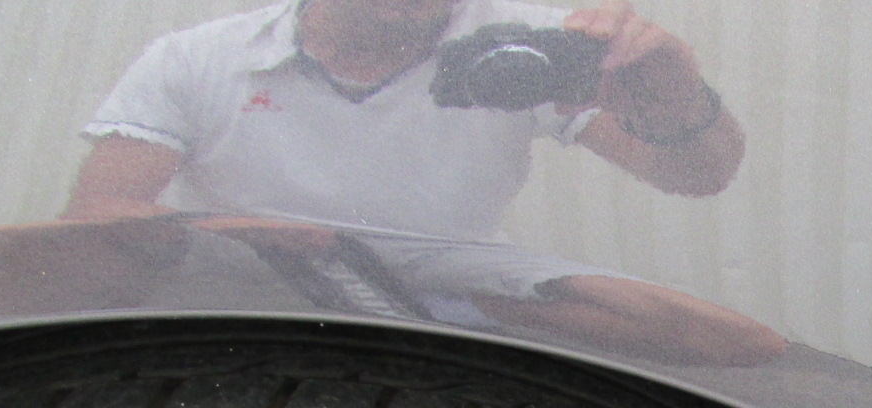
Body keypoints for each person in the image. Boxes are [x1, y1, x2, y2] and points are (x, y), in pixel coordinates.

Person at [52, 0, 784, 364]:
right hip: (247, 262)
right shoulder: (201, 56)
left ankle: (455, 323)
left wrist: (677, 97)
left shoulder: (518, 45)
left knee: (721, 336)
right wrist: (232, 238)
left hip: (451, 270)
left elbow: (697, 177)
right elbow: (94, 221)